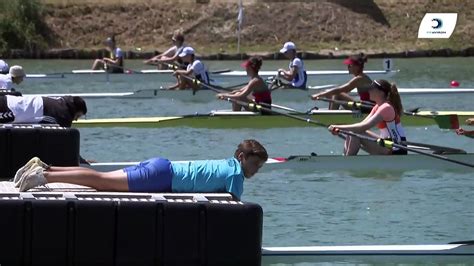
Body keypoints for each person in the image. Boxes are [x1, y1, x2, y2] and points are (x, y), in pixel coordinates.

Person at [14, 139, 269, 200]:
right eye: (255, 164)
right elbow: (236, 206)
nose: (256, 170)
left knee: (102, 179)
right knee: (101, 182)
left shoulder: (226, 162)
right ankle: (43, 176)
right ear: (241, 157)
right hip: (161, 176)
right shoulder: (235, 173)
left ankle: (46, 167)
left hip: (162, 166)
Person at [328, 79, 407, 156]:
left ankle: (348, 162)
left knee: (355, 132)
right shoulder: (377, 106)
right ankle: (345, 158)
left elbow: (363, 127)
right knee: (352, 131)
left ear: (381, 92)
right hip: (386, 145)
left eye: (371, 89)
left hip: (396, 149)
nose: (368, 91)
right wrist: (340, 130)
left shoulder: (386, 107)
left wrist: (338, 127)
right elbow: (361, 124)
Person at [0, 95, 87, 127]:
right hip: (10, 111)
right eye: (78, 116)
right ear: (74, 110)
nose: (75, 120)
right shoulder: (64, 116)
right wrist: (82, 161)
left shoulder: (59, 100)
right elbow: (67, 144)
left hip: (8, 99)